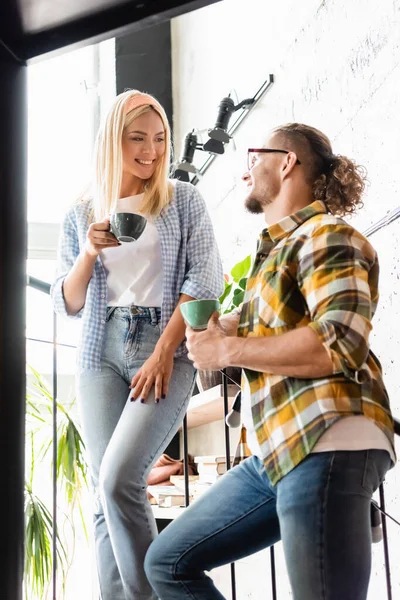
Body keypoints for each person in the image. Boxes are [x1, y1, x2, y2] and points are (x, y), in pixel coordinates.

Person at [144, 123, 396, 600]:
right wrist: (218, 329)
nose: (245, 170)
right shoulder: (274, 257)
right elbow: (251, 328)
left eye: (252, 155)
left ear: (286, 162)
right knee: (168, 560)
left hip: (327, 439)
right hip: (277, 452)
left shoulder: (327, 235)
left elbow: (339, 343)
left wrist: (227, 348)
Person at [51, 89, 224, 600]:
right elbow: (68, 303)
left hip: (162, 343)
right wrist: (87, 252)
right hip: (98, 352)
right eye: (137, 139)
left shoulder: (181, 199)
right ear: (113, 141)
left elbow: (206, 280)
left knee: (121, 478)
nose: (150, 150)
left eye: (159, 138)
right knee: (105, 500)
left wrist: (163, 351)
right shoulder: (81, 212)